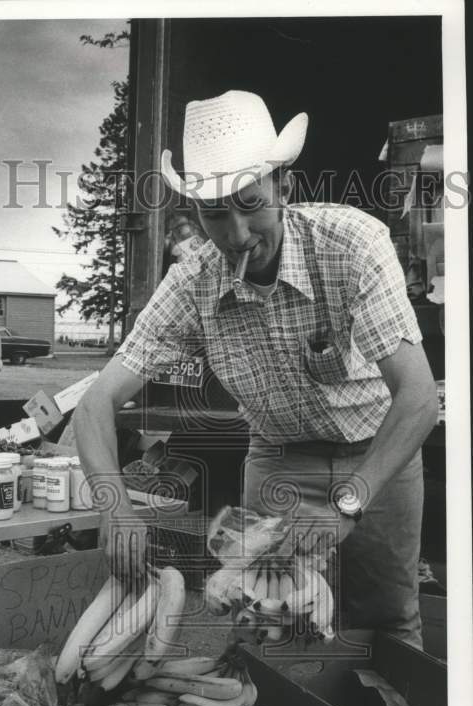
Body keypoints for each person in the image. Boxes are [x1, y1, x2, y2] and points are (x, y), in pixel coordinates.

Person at [73, 90, 438, 647]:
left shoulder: (353, 244)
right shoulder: (194, 281)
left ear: (284, 188)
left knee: (388, 619)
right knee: (268, 623)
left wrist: (350, 500)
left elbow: (417, 398)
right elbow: (96, 404)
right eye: (216, 214)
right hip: (279, 458)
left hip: (377, 452)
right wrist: (115, 506)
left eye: (251, 204)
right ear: (195, 212)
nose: (238, 235)